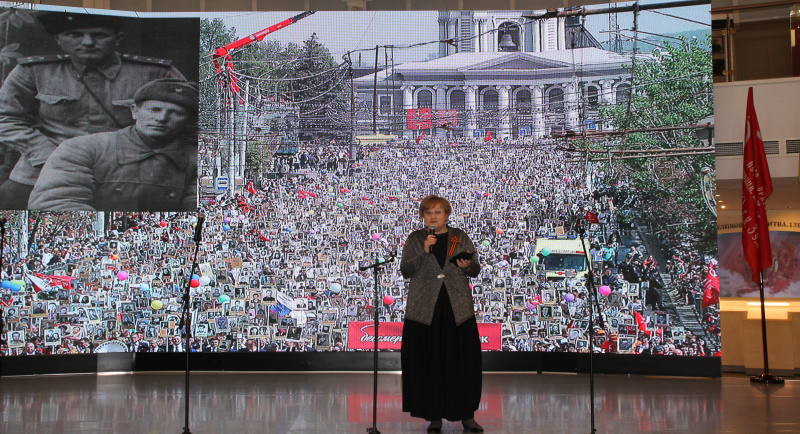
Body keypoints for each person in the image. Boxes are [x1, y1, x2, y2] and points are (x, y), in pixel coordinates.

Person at [0, 12, 185, 209]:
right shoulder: (34, 71)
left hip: (126, 167)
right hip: (45, 162)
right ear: (58, 40)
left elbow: (189, 118)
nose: (87, 42)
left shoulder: (155, 72)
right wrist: (45, 152)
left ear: (117, 39)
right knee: (9, 203)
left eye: (99, 35)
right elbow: (5, 117)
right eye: (74, 35)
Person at [28, 79, 198, 211]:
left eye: (176, 113)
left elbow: (197, 207)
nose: (161, 118)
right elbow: (57, 202)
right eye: (154, 110)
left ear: (188, 122)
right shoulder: (83, 148)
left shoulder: (196, 159)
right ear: (134, 110)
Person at [399, 195, 483, 433]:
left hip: (457, 308)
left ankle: (467, 415)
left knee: (462, 362)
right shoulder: (416, 239)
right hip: (425, 309)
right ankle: (433, 415)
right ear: (422, 217)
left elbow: (475, 268)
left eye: (437, 212)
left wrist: (468, 265)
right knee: (430, 363)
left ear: (447, 214)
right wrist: (424, 252)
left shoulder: (458, 236)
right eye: (428, 213)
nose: (433, 216)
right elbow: (406, 270)